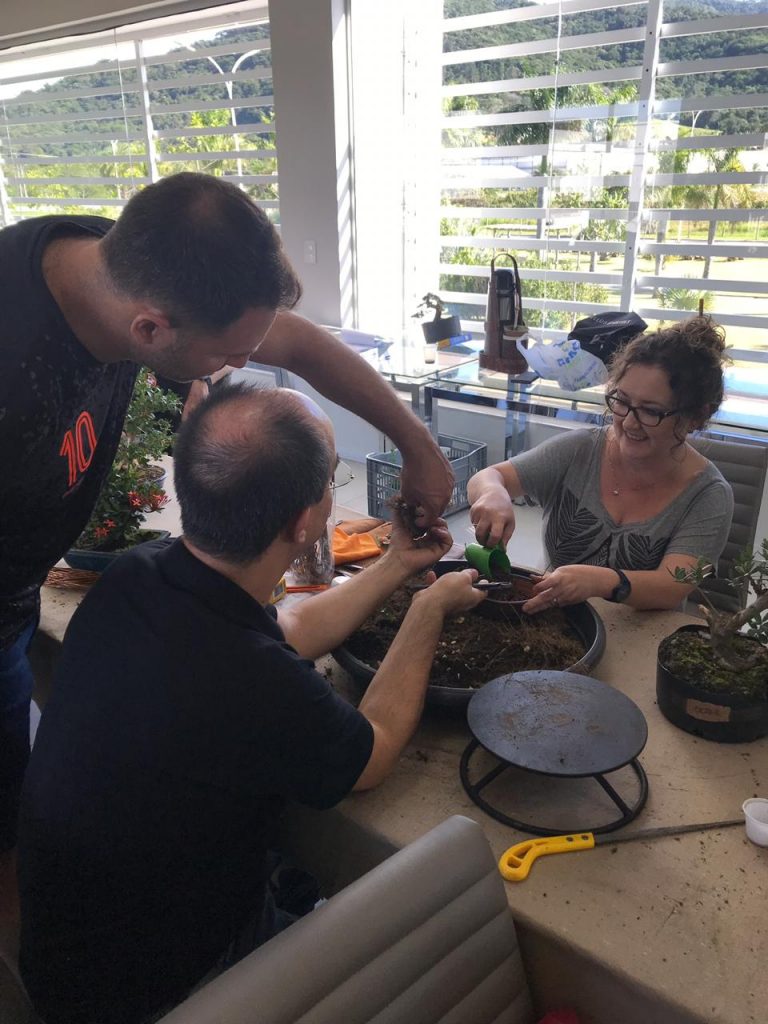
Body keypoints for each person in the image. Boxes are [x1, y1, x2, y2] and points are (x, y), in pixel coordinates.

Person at [0, 171, 453, 852]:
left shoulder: (122, 258)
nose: (245, 362)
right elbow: (367, 749)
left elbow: (296, 343)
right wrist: (428, 608)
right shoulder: (15, 371)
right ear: (149, 329)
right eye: (229, 355)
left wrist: (417, 450)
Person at [17, 383, 484, 1024]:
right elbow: (372, 751)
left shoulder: (140, 573)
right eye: (330, 482)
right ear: (302, 523)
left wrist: (397, 564)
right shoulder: (253, 679)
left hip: (63, 953)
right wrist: (428, 610)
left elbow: (287, 628)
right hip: (162, 992)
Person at [467, 316, 734, 613]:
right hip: (558, 618)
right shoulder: (581, 450)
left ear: (695, 417)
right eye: (622, 401)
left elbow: (670, 587)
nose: (629, 422)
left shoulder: (708, 495)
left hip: (642, 634)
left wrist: (606, 581)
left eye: (651, 411)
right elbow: (489, 477)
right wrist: (493, 493)